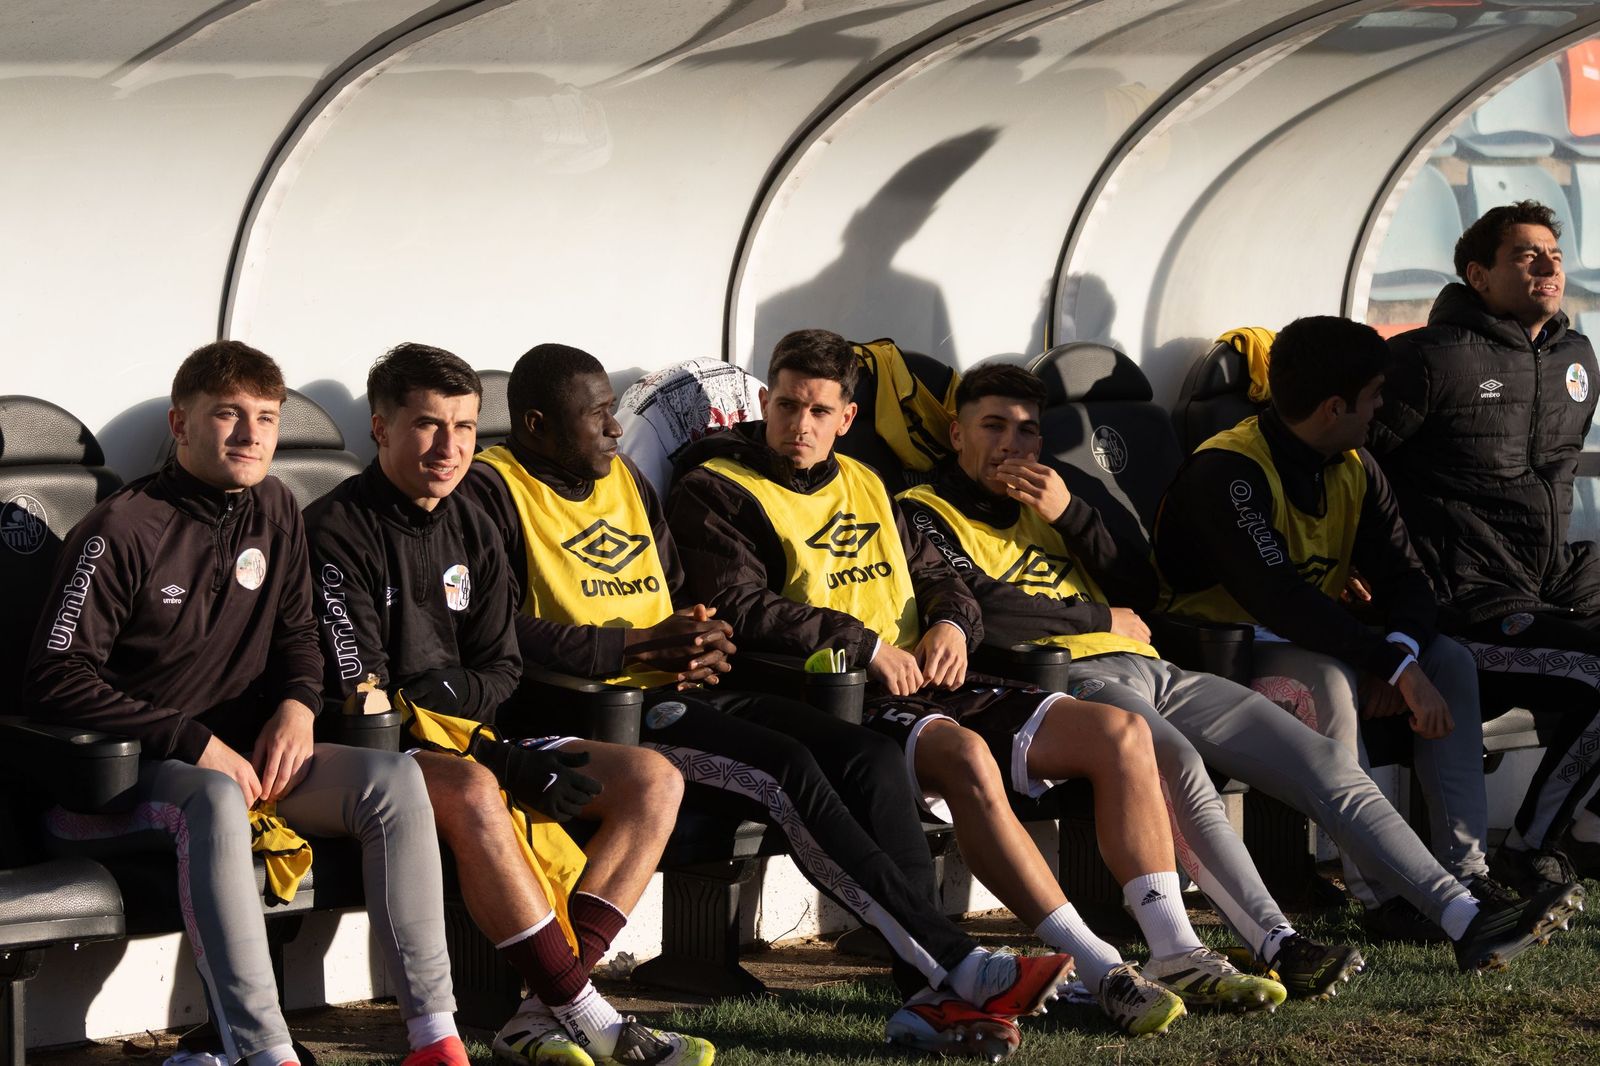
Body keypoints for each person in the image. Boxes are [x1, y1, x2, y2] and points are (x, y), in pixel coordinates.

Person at [663, 328, 1293, 1032]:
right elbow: (744, 606)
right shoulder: (715, 489)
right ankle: (1094, 964)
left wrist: (953, 625)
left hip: (932, 675)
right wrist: (867, 645)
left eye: (818, 413)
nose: (798, 427)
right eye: (786, 407)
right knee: (963, 754)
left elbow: (939, 576)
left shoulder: (867, 481)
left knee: (1119, 731)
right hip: (837, 692)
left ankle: (1176, 949)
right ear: (765, 401)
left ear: (847, 417)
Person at [457, 343, 1076, 1059]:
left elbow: (680, 593)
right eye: (597, 416)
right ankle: (956, 967)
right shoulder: (490, 491)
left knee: (869, 758)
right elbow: (497, 635)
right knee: (787, 772)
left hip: (680, 691)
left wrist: (704, 636)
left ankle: (927, 998)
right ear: (535, 424)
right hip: (595, 713)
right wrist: (632, 650)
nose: (616, 429)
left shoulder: (624, 478)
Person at [24, 342, 466, 1066]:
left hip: (246, 765)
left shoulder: (276, 507)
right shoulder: (122, 527)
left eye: (266, 416)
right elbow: (55, 676)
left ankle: (432, 1036)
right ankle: (263, 1050)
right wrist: (190, 740)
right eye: (227, 415)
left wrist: (296, 706)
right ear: (180, 423)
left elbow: (298, 632)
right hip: (120, 785)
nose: (251, 434)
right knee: (213, 799)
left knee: (395, 782)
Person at [303, 343, 710, 1066]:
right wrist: (489, 747)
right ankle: (588, 1013)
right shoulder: (337, 530)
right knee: (472, 784)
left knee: (654, 780)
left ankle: (537, 1012)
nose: (448, 447)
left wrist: (468, 706)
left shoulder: (474, 521)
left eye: (464, 428)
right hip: (382, 758)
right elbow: (364, 704)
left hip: (483, 742)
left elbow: (502, 667)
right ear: (381, 429)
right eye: (428, 425)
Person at [1154, 315, 1583, 962]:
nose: (1381, 408)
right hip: (1221, 653)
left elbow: (1409, 579)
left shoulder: (1354, 461)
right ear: (1335, 407)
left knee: (1450, 662)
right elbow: (1282, 601)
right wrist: (1384, 661)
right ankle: (1383, 894)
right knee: (1324, 682)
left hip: (1328, 637)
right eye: (1376, 396)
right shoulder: (1229, 471)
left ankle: (1467, 873)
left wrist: (1403, 659)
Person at [1371, 200, 1600, 891]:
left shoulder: (1576, 355)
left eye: (1554, 255)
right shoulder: (1424, 359)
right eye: (1525, 255)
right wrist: (1365, 576)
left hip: (1551, 582)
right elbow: (1353, 466)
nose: (1547, 266)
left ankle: (1564, 833)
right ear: (1478, 274)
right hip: (1466, 600)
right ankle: (1531, 850)